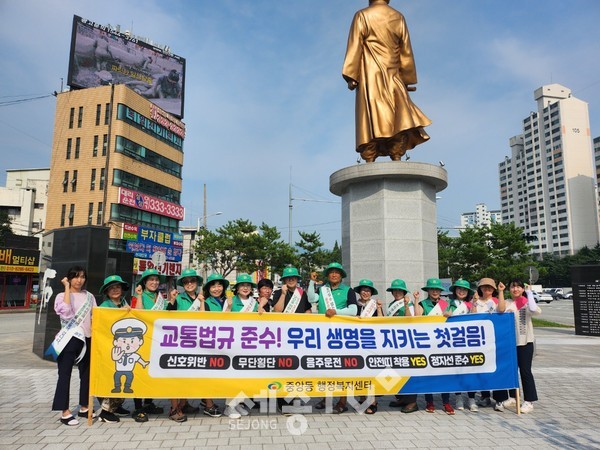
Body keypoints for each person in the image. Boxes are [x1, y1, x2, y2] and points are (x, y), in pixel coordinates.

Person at [342, 0, 431, 162]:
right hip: (394, 75)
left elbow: (355, 47)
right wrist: (407, 78)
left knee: (370, 116)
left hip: (370, 75)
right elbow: (406, 51)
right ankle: (396, 153)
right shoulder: (398, 17)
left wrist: (351, 75)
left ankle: (370, 155)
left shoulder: (362, 15)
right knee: (397, 115)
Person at [308, 262, 358, 414]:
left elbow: (353, 309)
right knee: (325, 367)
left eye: (337, 272)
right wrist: (311, 282)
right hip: (323, 334)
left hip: (341, 335)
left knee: (342, 368)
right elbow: (311, 299)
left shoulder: (348, 290)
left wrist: (335, 311)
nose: (334, 275)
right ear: (328, 275)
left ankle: (343, 401)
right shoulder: (323, 289)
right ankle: (326, 398)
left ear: (341, 275)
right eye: (331, 272)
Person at [50, 266, 95, 426]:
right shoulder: (61, 296)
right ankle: (65, 411)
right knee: (65, 375)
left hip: (87, 339)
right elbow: (67, 313)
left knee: (86, 375)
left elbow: (95, 316)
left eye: (82, 277)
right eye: (75, 277)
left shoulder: (89, 296)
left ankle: (84, 406)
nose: (79, 280)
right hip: (69, 339)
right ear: (69, 278)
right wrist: (67, 288)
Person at [494, 280, 541, 414]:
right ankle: (514, 397)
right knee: (510, 371)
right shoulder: (508, 302)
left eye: (518, 287)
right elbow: (501, 309)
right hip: (509, 343)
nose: (515, 289)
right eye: (513, 286)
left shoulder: (525, 302)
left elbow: (534, 310)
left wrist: (529, 293)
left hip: (525, 342)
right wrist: (501, 291)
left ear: (522, 289)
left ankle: (529, 401)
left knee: (525, 371)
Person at [165, 269, 205, 422]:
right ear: (182, 284)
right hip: (178, 342)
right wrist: (172, 300)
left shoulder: (200, 298)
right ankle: (174, 408)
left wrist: (201, 302)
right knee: (176, 375)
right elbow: (169, 314)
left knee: (187, 374)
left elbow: (205, 319)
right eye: (186, 282)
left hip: (196, 342)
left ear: (196, 283)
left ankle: (184, 403)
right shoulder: (179, 297)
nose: (189, 284)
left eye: (192, 281)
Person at [272, 267, 312, 415]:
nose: (291, 280)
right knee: (284, 368)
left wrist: (308, 314)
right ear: (283, 280)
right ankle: (282, 402)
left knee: (297, 368)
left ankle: (295, 398)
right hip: (282, 337)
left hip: (298, 337)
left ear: (297, 279)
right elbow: (277, 310)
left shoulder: (302, 293)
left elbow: (308, 309)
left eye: (293, 278)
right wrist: (282, 294)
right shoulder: (278, 293)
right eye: (288, 278)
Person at [132, 268, 166, 422]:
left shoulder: (160, 297)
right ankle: (138, 407)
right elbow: (138, 313)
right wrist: (139, 295)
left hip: (157, 340)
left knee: (152, 371)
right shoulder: (138, 296)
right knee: (140, 373)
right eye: (150, 279)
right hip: (142, 339)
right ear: (144, 282)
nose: (154, 282)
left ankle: (148, 403)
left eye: (156, 279)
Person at [96, 275, 132, 423]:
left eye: (118, 287)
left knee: (123, 377)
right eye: (112, 288)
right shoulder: (104, 306)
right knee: (110, 379)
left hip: (124, 349)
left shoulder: (124, 303)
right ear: (107, 291)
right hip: (109, 348)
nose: (115, 290)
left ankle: (116, 406)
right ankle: (105, 411)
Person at [416, 278, 454, 415]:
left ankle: (446, 402)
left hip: (443, 343)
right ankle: (429, 402)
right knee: (428, 374)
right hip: (428, 344)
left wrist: (449, 315)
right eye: (432, 289)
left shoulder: (446, 304)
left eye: (437, 289)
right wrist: (415, 301)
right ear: (428, 291)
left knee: (445, 374)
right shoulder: (422, 304)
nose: (435, 291)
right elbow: (417, 318)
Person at [385, 279, 420, 413]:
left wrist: (405, 305)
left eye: (400, 290)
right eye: (395, 290)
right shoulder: (392, 304)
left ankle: (412, 402)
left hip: (406, 342)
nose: (397, 292)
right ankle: (402, 398)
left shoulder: (408, 303)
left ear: (404, 292)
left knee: (407, 370)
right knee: (395, 371)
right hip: (394, 343)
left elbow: (410, 319)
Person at [446, 279, 478, 412]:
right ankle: (458, 397)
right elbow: (443, 317)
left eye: (464, 290)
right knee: (457, 370)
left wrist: (475, 303)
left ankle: (471, 399)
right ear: (454, 291)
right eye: (459, 289)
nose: (461, 291)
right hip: (454, 342)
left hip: (469, 342)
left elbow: (476, 318)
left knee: (470, 370)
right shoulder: (449, 304)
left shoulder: (470, 305)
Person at [354, 279, 382, 414]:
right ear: (359, 292)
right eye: (363, 290)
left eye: (368, 291)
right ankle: (362, 399)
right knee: (359, 372)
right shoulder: (354, 305)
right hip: (356, 343)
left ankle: (373, 401)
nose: (365, 293)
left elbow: (382, 322)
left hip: (371, 343)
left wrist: (380, 309)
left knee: (371, 373)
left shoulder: (375, 305)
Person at [471, 277, 499, 408]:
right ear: (480, 288)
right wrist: (474, 303)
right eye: (484, 286)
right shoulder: (475, 301)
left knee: (496, 368)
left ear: (494, 289)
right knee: (481, 368)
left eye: (490, 287)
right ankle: (485, 395)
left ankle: (499, 398)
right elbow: (471, 318)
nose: (487, 289)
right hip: (478, 341)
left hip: (494, 340)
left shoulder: (497, 302)